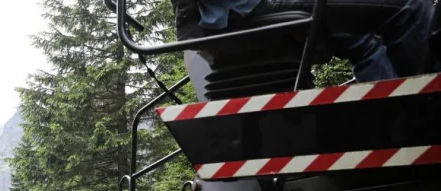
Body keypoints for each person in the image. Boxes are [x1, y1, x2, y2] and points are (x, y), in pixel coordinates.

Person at [176, 0, 435, 83]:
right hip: (248, 7)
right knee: (409, 4)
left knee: (361, 38)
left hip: (234, 10)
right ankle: (421, 119)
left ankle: (396, 127)